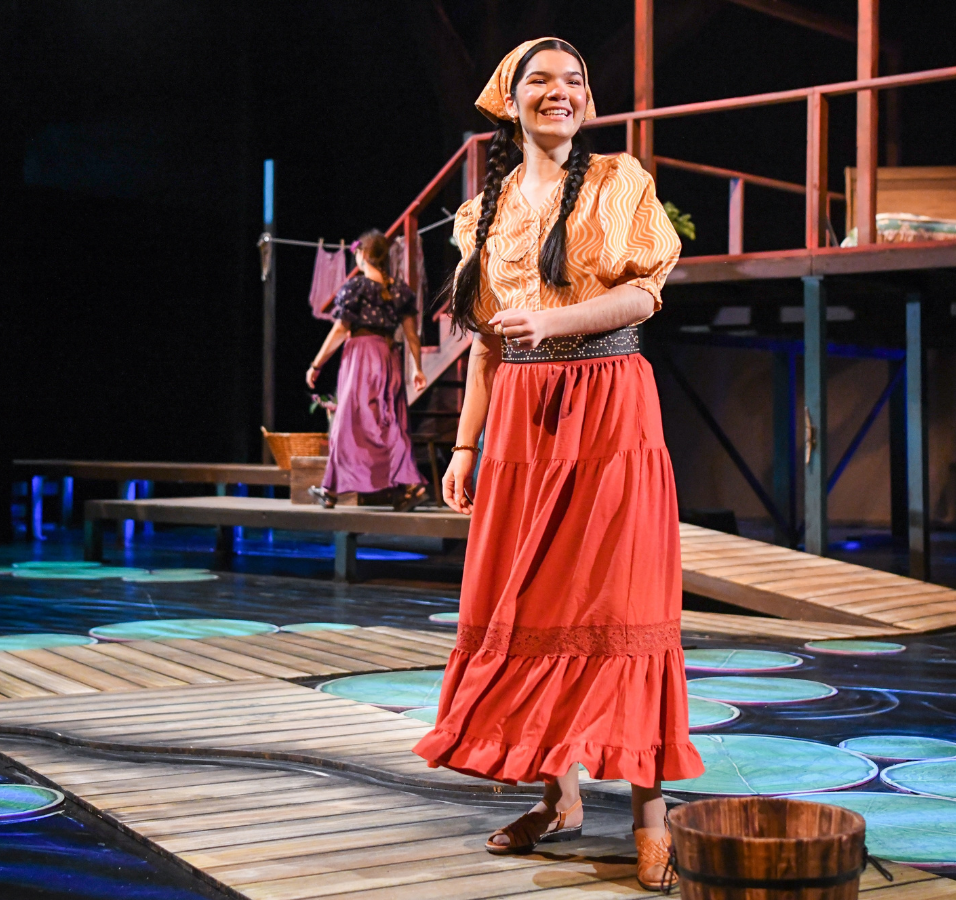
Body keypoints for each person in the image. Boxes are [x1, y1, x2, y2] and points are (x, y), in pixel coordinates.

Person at [410, 38, 702, 892]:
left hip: (609, 404)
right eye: (541, 80)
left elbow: (646, 294)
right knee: (529, 594)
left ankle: (651, 815)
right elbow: (485, 347)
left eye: (573, 81)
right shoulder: (484, 212)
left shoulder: (621, 180)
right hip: (521, 423)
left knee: (622, 597)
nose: (560, 93)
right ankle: (558, 796)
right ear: (509, 98)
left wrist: (559, 326)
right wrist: (464, 445)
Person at [304, 230, 428, 511]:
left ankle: (330, 490)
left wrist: (316, 364)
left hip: (361, 357)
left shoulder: (356, 287)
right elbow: (412, 335)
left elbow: (339, 330)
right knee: (390, 421)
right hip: (389, 356)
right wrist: (417, 368)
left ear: (361, 255)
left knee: (349, 421)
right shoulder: (399, 289)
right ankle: (407, 487)